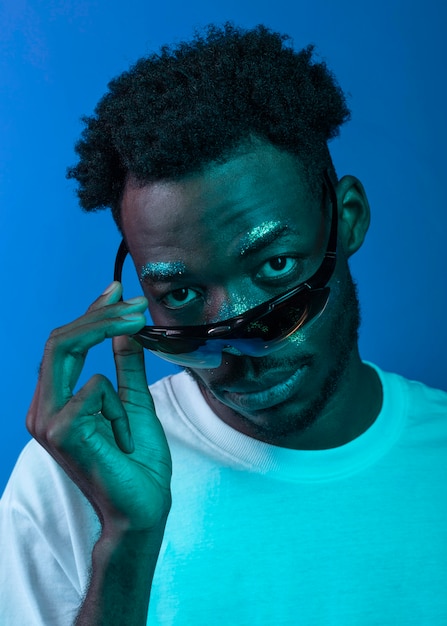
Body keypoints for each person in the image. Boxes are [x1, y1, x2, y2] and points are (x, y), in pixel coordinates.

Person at [1, 23, 446, 626]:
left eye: (275, 265)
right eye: (181, 293)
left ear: (347, 221)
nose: (244, 342)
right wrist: (127, 542)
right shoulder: (68, 484)